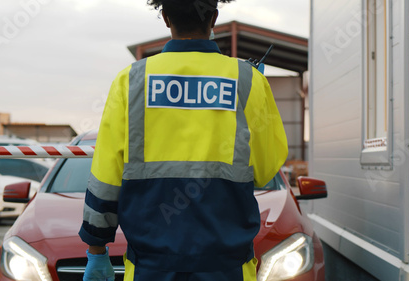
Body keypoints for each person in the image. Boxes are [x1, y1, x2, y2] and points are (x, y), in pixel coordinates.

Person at [79, 0, 288, 280]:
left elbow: (106, 177)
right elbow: (264, 171)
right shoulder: (247, 81)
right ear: (213, 18)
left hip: (149, 267)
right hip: (228, 266)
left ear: (165, 18)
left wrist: (96, 248)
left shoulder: (131, 80)